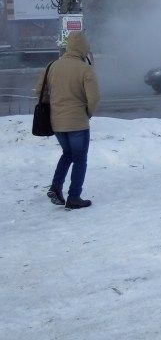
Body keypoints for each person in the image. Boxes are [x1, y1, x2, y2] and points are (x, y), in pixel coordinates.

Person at [37, 31, 101, 209]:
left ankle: (56, 188)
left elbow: (39, 91)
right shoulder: (84, 68)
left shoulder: (52, 66)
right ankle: (74, 197)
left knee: (68, 154)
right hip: (77, 121)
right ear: (82, 48)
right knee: (80, 158)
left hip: (56, 122)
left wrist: (56, 106)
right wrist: (87, 113)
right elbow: (94, 97)